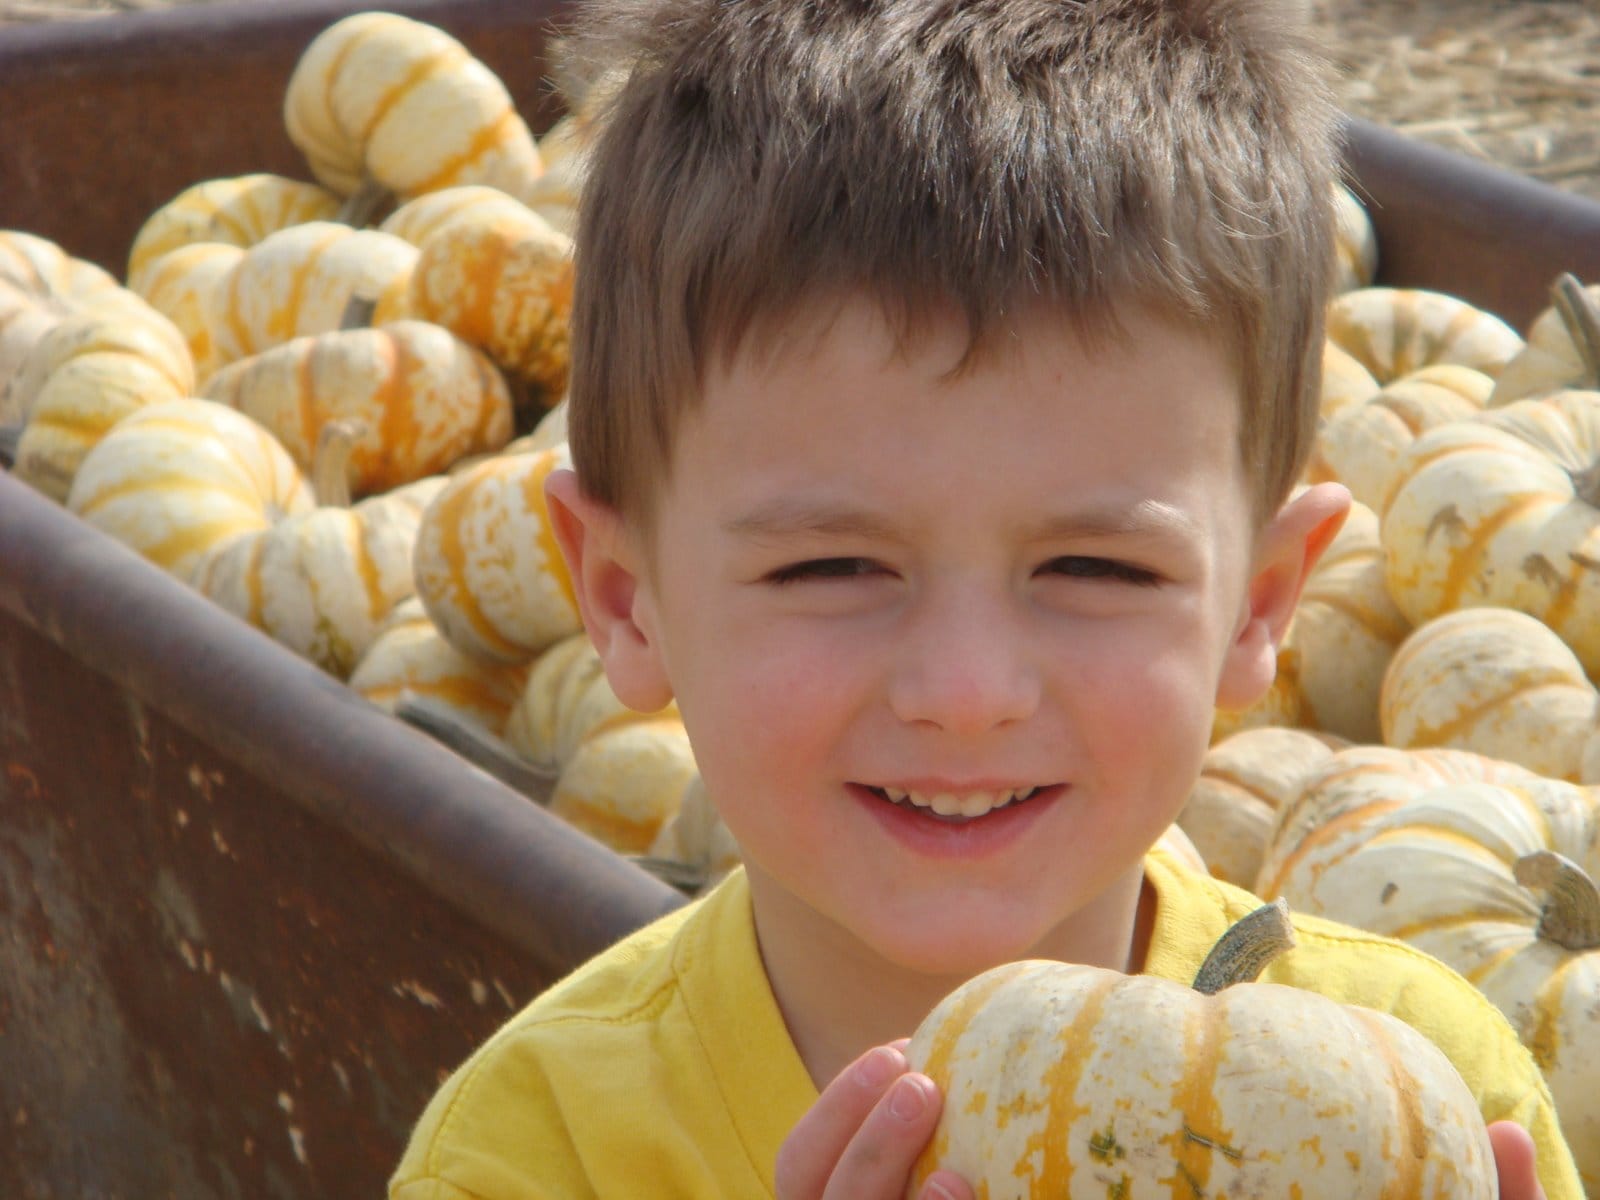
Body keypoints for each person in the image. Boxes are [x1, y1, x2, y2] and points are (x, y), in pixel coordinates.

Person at [388, 0, 1582, 1196]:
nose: (966, 692)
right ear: (623, 598)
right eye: (831, 567)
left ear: (1258, 605)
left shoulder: (1436, 1097)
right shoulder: (530, 1156)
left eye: (1097, 569)